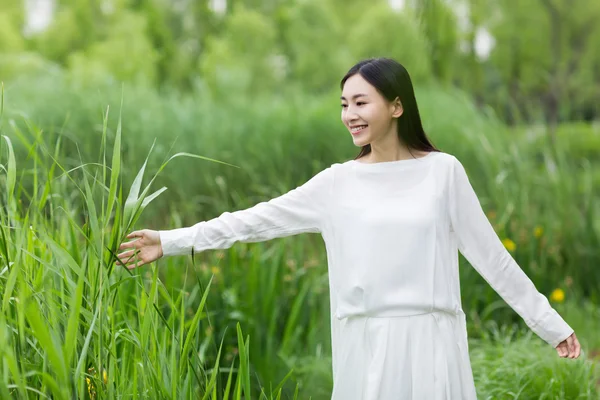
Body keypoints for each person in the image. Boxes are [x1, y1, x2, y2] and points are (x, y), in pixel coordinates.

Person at [115, 57, 581, 399]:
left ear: (397, 107)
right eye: (344, 104)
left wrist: (548, 322)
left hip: (431, 344)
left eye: (361, 102)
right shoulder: (337, 184)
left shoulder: (444, 173)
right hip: (365, 347)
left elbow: (491, 257)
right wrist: (171, 241)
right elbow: (252, 221)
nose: (350, 115)